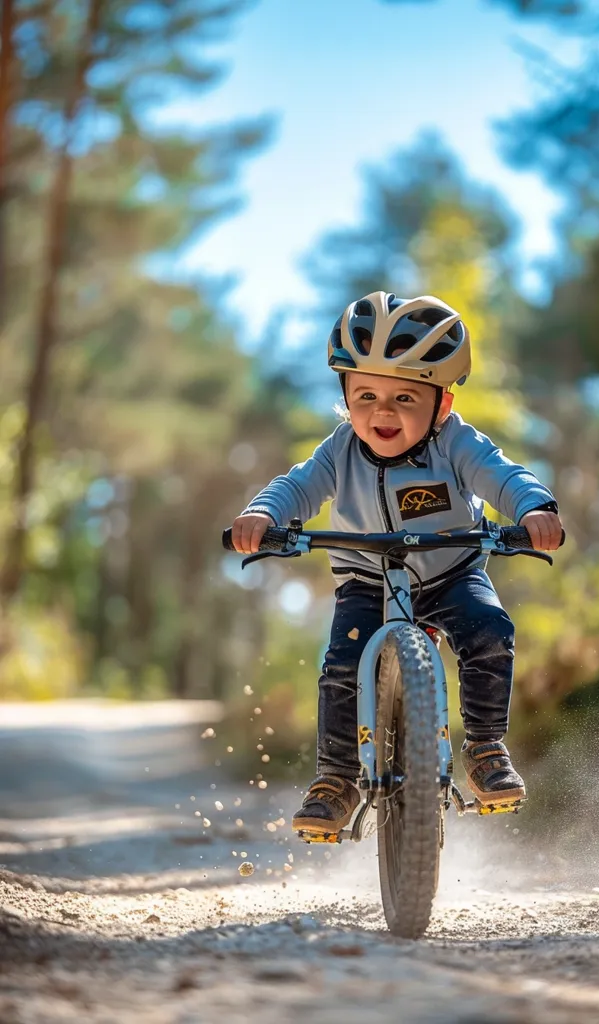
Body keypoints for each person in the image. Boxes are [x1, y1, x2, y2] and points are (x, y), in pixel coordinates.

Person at [231, 292, 563, 836]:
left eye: (406, 398)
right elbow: (297, 488)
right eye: (366, 395)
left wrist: (534, 508)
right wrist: (262, 515)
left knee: (489, 629)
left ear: (442, 406)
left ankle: (484, 747)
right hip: (366, 579)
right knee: (342, 663)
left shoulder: (456, 444)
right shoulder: (338, 451)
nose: (382, 412)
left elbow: (503, 475)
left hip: (450, 572)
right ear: (344, 396)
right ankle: (335, 780)